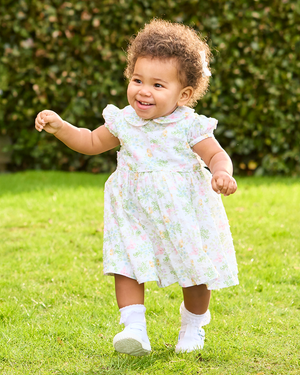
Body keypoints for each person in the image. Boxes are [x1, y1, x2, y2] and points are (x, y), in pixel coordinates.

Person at [35, 19, 238, 357]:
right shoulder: (125, 121)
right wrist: (61, 127)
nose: (143, 90)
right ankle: (134, 329)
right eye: (137, 80)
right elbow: (89, 141)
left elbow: (216, 154)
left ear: (184, 94)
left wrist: (221, 173)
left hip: (182, 213)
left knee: (195, 272)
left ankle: (193, 324)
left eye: (158, 85)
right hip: (133, 211)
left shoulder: (188, 125)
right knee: (126, 264)